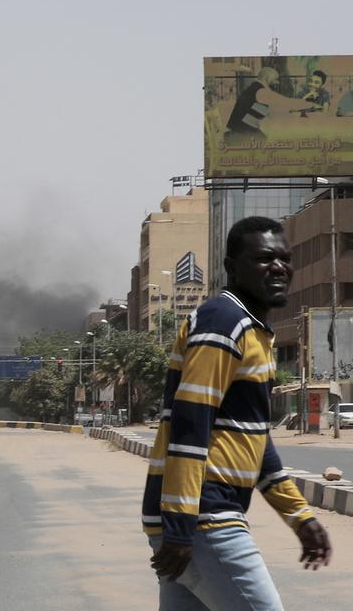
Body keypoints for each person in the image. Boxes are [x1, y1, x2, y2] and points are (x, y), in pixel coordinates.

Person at [142, 216, 331, 610]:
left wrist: (299, 516)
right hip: (204, 518)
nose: (278, 267)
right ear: (231, 267)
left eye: (284, 258)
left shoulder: (253, 331)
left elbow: (256, 442)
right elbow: (191, 424)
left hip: (194, 519)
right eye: (264, 259)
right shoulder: (224, 321)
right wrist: (181, 525)